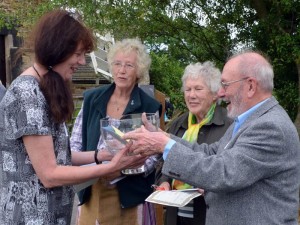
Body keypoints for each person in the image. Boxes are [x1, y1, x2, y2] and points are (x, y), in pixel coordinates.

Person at [0, 10, 145, 225]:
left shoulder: (42, 88)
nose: (82, 61)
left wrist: (102, 155)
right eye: (78, 54)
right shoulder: (27, 94)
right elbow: (50, 174)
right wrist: (111, 167)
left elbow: (60, 155)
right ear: (57, 49)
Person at [124, 50, 300, 225]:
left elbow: (223, 172)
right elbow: (211, 152)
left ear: (251, 86)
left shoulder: (270, 127)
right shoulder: (249, 120)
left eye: (226, 84)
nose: (221, 93)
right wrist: (163, 137)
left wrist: (165, 146)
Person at [70, 38, 162, 225]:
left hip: (128, 194)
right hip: (92, 188)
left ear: (139, 71)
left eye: (129, 65)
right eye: (117, 64)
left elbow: (153, 157)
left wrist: (121, 170)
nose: (122, 70)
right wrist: (97, 166)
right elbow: (75, 144)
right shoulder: (92, 99)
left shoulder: (149, 106)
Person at [155, 61, 232, 225]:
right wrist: (164, 182)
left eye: (198, 89)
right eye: (188, 89)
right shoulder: (178, 123)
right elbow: (163, 161)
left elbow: (230, 170)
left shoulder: (229, 125)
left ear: (214, 94)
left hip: (209, 215)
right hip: (176, 216)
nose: (191, 95)